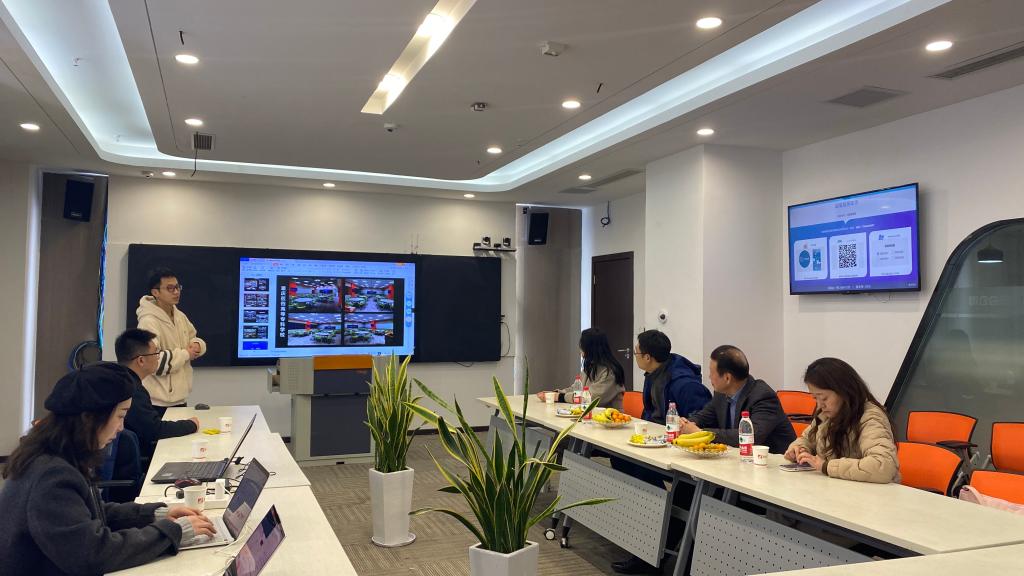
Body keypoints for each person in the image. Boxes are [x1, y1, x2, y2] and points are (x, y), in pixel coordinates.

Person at [0, 363, 216, 575]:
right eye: (120, 416)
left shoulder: (57, 455)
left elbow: (91, 512)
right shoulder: (52, 476)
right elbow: (93, 554)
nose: (121, 428)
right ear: (91, 418)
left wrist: (156, 514)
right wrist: (173, 532)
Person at [784, 357, 900, 483]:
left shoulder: (870, 417)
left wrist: (826, 466)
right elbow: (807, 438)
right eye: (815, 398)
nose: (820, 405)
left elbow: (883, 466)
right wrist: (799, 449)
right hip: (838, 488)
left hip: (871, 493)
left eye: (824, 398)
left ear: (844, 391)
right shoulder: (827, 414)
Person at [679, 345, 796, 454]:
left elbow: (751, 436)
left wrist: (700, 434)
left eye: (711, 372)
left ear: (727, 378)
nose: (709, 376)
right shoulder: (721, 394)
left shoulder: (763, 397)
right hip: (738, 459)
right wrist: (686, 424)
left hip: (773, 463)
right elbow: (704, 416)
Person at [115, 328, 200, 458]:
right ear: (141, 360)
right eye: (156, 353)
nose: (158, 357)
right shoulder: (132, 390)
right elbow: (154, 430)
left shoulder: (121, 380)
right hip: (136, 460)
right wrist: (191, 425)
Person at [137, 267, 207, 410]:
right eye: (170, 288)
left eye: (177, 287)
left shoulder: (179, 315)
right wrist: (186, 354)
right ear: (155, 292)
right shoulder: (148, 321)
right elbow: (151, 361)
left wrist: (198, 345)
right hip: (157, 403)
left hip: (180, 399)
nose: (176, 292)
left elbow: (193, 337)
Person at [535, 327, 626, 409]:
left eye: (582, 346)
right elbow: (576, 388)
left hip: (609, 419)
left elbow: (590, 398)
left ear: (591, 348)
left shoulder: (610, 372)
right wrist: (556, 393)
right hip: (589, 416)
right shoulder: (591, 367)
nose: (580, 350)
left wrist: (559, 397)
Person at [634, 330, 710, 424]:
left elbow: (697, 422)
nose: (635, 356)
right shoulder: (652, 373)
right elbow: (650, 411)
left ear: (647, 358)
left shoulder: (686, 384)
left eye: (636, 353)